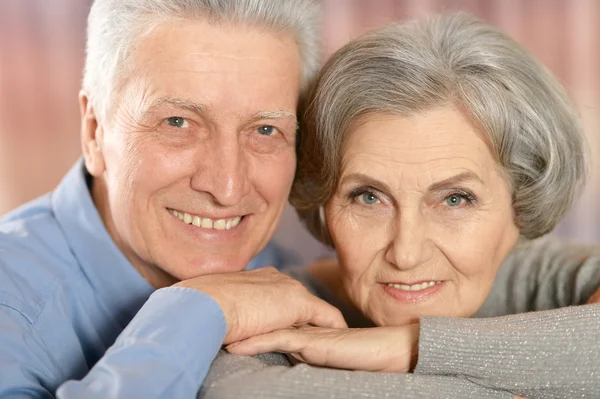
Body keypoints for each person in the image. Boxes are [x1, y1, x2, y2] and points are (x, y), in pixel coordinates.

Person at [198, 13, 600, 399]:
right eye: (369, 197)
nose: (405, 254)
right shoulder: (276, 310)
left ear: (522, 202)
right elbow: (231, 393)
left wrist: (413, 346)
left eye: (455, 199)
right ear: (323, 201)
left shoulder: (545, 277)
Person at [0, 1, 350, 398]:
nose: (227, 187)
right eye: (177, 123)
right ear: (94, 132)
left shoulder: (286, 278)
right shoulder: (10, 303)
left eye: (265, 130)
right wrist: (200, 310)